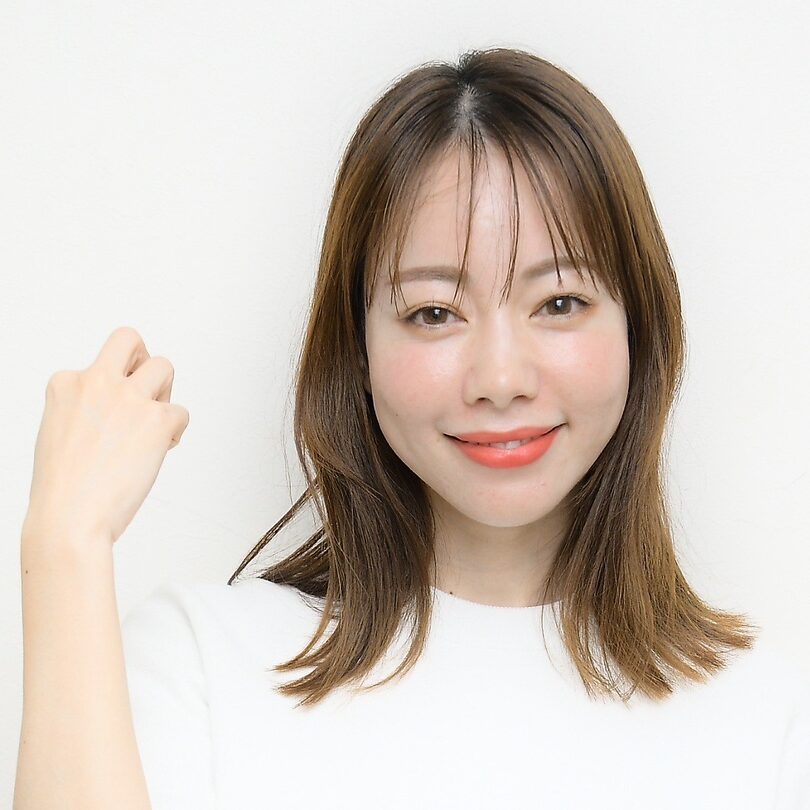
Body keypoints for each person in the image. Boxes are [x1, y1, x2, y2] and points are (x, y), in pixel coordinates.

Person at [16, 47, 810, 810]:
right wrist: (63, 545)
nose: (501, 378)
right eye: (434, 313)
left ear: (640, 327)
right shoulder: (201, 666)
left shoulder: (766, 724)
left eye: (560, 303)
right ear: (358, 351)